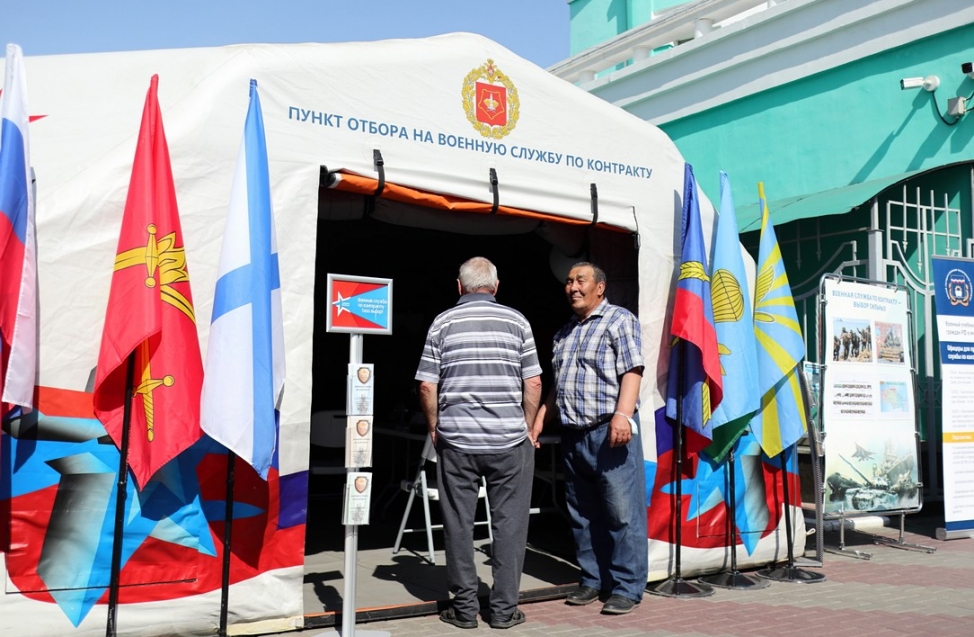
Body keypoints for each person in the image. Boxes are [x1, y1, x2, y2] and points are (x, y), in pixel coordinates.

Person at [415, 256, 543, 630]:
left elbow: (427, 383)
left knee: (458, 525)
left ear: (459, 287)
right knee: (510, 526)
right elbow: (533, 382)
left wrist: (436, 427)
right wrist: (527, 425)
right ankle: (504, 612)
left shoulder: (443, 322)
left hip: (457, 442)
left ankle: (465, 610)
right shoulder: (517, 321)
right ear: (496, 287)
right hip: (510, 443)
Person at [533, 261, 647, 616]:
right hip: (573, 435)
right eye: (568, 281)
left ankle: (627, 587)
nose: (572, 287)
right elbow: (559, 387)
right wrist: (538, 422)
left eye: (580, 280)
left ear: (600, 287)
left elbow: (633, 370)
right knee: (582, 514)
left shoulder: (619, 320)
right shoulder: (563, 333)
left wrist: (622, 415)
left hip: (610, 432)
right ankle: (593, 580)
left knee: (622, 514)